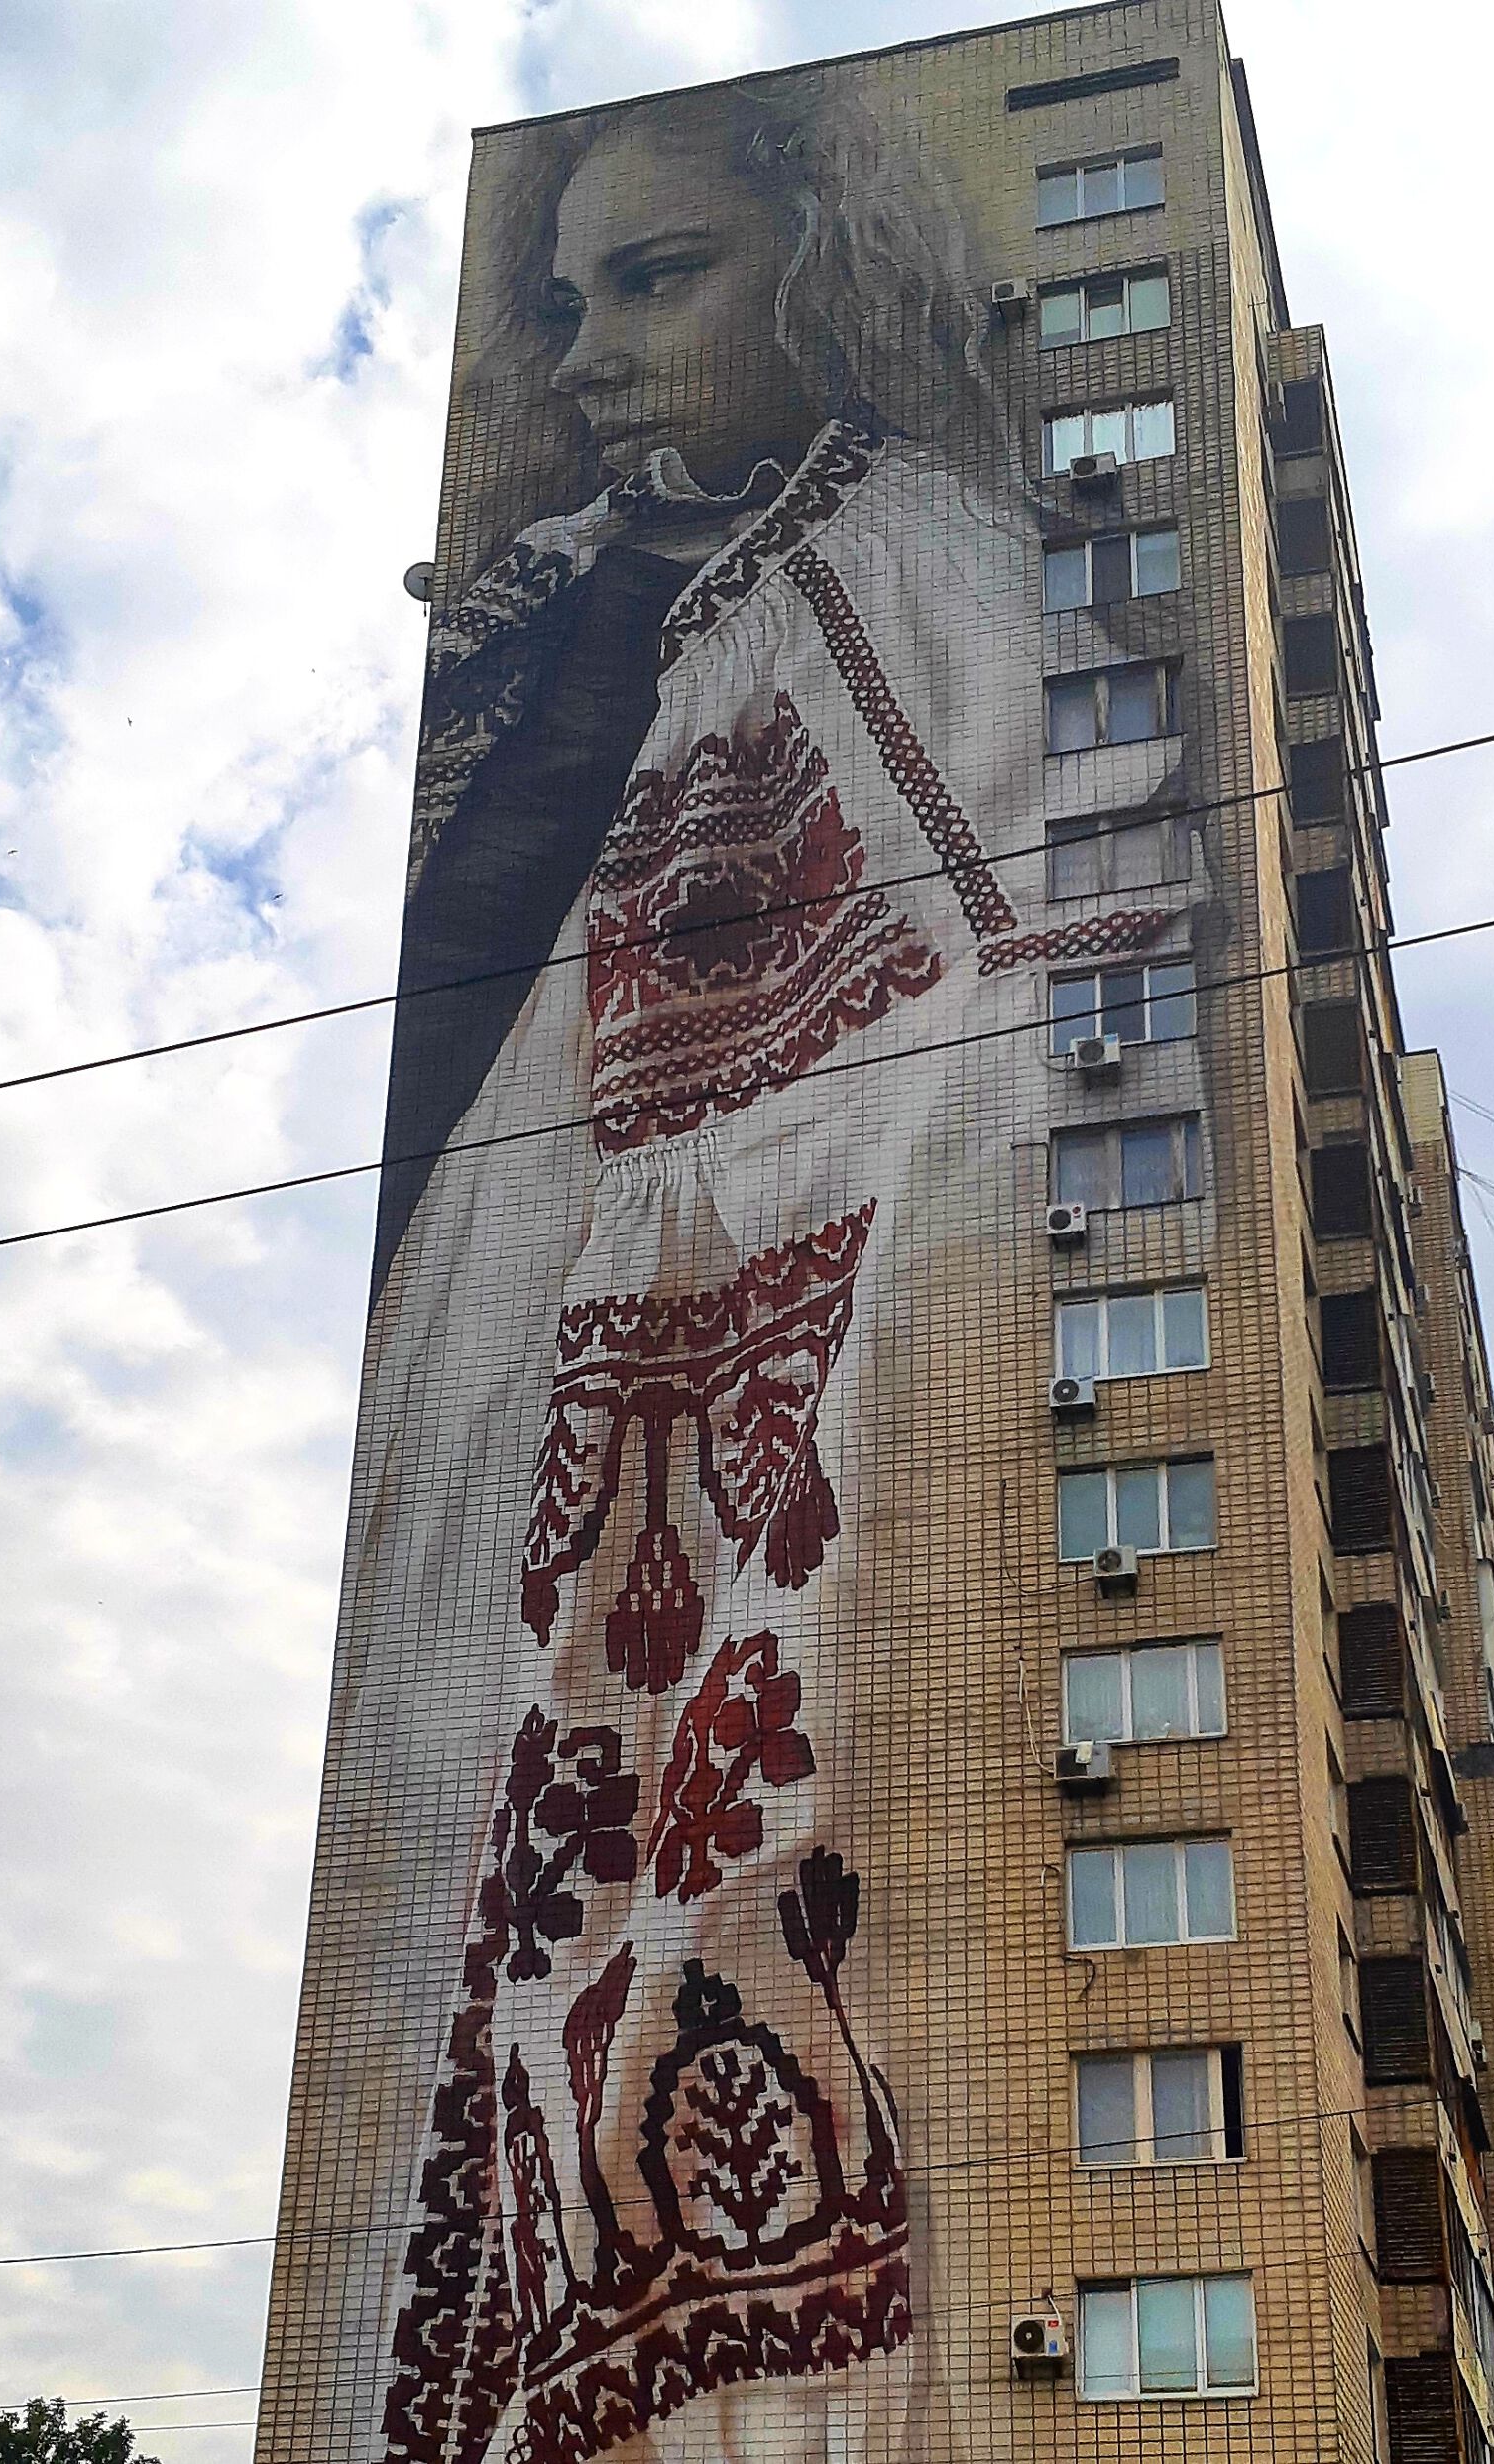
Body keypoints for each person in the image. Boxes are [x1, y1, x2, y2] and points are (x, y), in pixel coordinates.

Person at [344, 69, 1187, 2464]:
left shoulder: (931, 550)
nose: (596, 346)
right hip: (510, 1368)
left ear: (815, 272)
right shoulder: (535, 597)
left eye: (661, 278)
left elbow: (1034, 960)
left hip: (810, 1356)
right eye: (564, 299)